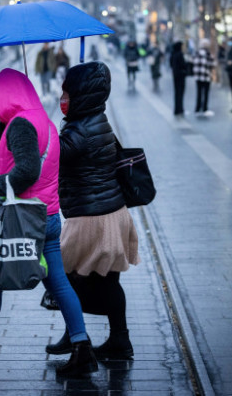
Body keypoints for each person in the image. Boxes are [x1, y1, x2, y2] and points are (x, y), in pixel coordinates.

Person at [0, 68, 98, 378]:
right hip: (46, 217)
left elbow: (25, 171)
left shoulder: (22, 124)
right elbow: (6, 144)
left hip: (22, 219)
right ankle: (82, 347)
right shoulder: (42, 121)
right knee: (59, 284)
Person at [50, 61, 140, 361]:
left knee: (64, 280)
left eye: (67, 91)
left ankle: (80, 338)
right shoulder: (93, 119)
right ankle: (113, 339)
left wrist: (31, 121)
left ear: (81, 94)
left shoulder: (80, 131)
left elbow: (47, 159)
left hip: (92, 218)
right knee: (103, 280)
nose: (63, 97)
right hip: (107, 212)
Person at [192, 38, 216, 117]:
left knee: (199, 92)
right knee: (205, 93)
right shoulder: (208, 54)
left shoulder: (197, 53)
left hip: (198, 76)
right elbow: (213, 64)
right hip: (206, 76)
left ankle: (197, 108)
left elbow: (193, 62)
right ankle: (204, 108)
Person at [170, 41, 187, 116]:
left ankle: (177, 109)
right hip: (180, 76)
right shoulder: (179, 54)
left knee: (177, 93)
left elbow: (171, 64)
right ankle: (180, 109)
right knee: (180, 92)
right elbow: (183, 64)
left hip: (175, 76)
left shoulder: (173, 54)